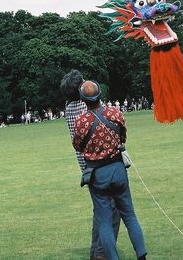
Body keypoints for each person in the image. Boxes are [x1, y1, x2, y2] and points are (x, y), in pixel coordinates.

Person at [73, 81, 147, 260]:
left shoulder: (81, 122)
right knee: (129, 215)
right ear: (100, 95)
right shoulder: (115, 113)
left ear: (83, 99)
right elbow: (122, 138)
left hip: (98, 174)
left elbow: (77, 146)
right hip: (118, 169)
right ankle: (142, 256)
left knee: (104, 221)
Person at [60, 69, 120, 260]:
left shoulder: (69, 109)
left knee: (101, 210)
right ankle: (102, 254)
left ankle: (97, 252)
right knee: (112, 212)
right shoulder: (87, 108)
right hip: (101, 164)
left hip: (87, 167)